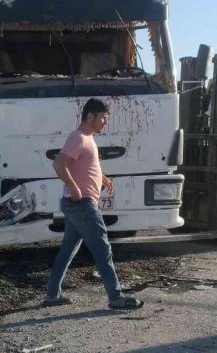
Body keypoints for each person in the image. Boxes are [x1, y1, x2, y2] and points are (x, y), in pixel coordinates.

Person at [44, 98, 143, 310]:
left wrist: (102, 178)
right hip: (82, 204)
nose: (105, 122)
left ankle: (52, 295)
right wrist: (74, 188)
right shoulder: (78, 138)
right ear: (90, 116)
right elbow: (59, 163)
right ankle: (116, 297)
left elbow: (85, 166)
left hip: (78, 204)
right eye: (103, 118)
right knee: (103, 249)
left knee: (67, 250)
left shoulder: (87, 138)